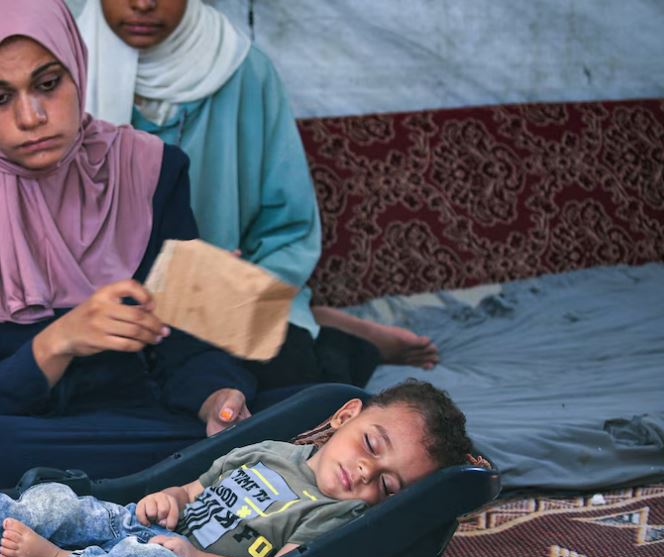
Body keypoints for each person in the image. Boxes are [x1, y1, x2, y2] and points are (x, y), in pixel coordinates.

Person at [0, 0, 301, 509]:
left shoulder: (149, 168)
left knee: (326, 402)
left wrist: (216, 399)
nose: (31, 117)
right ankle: (194, 472)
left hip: (132, 415)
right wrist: (59, 342)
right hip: (13, 427)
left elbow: (188, 344)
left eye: (48, 84)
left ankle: (143, 479)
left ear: (76, 67)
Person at [77, 0, 439, 390]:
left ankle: (330, 335)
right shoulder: (57, 68)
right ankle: (317, 319)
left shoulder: (243, 71)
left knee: (285, 383)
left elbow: (288, 227)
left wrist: (235, 282)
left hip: (212, 297)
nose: (142, 3)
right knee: (101, 384)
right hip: (92, 289)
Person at [0, 380, 473, 557]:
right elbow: (195, 487)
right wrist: (167, 498)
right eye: (371, 447)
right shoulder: (274, 450)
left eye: (389, 487)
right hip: (144, 524)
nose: (365, 474)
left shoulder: (338, 518)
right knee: (55, 499)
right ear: (346, 417)